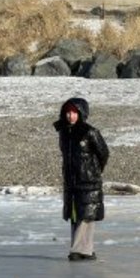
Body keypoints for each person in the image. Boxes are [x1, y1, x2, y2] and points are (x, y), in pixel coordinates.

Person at [54, 97, 109, 261]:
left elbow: (103, 153)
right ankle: (83, 250)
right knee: (76, 215)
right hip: (71, 181)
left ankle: (79, 250)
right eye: (68, 112)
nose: (70, 116)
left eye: (74, 112)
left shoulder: (90, 132)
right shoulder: (64, 132)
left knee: (87, 216)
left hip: (89, 181)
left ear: (81, 113)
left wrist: (93, 170)